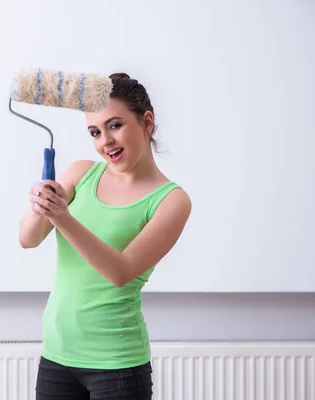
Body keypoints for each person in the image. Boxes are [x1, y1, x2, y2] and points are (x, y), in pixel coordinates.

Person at [18, 72, 192, 399]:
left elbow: (121, 272)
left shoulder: (171, 200)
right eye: (95, 132)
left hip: (117, 366)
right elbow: (28, 238)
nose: (105, 141)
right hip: (56, 353)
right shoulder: (81, 173)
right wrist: (40, 206)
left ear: (147, 122)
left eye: (115, 126)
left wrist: (64, 218)